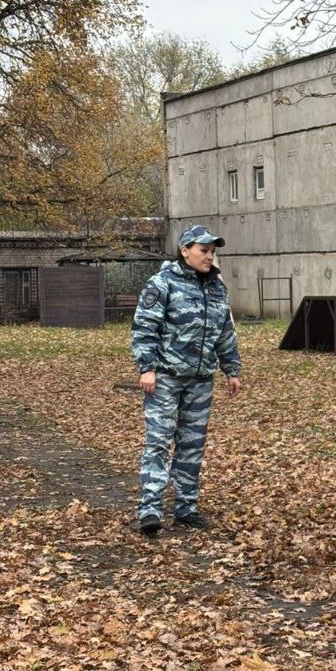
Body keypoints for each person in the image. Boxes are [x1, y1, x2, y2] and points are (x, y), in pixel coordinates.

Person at [130, 224, 242, 536]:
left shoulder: (216, 288)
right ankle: (150, 510)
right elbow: (144, 327)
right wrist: (146, 367)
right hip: (165, 378)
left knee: (192, 446)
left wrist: (232, 369)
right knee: (158, 443)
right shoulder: (162, 283)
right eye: (204, 250)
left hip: (200, 380)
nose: (210, 256)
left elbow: (224, 332)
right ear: (185, 251)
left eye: (213, 251)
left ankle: (186, 508)